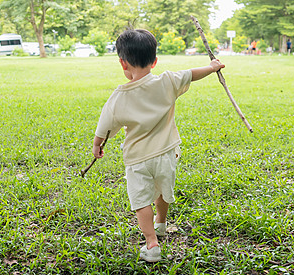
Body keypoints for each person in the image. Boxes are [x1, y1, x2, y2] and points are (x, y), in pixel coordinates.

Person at [92, 29, 225, 262]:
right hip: (166, 154)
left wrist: (97, 146)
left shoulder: (119, 96)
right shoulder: (168, 81)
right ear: (154, 61)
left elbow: (104, 127)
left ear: (122, 63)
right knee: (162, 190)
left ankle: (152, 243)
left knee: (141, 200)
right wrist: (213, 67)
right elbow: (191, 74)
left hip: (137, 159)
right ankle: (161, 224)